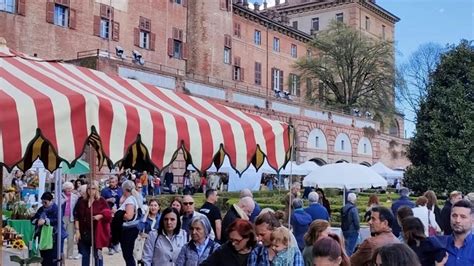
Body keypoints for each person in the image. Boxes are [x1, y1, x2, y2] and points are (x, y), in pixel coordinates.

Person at [74, 181, 112, 266]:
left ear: (97, 190)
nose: (91, 191)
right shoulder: (82, 201)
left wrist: (101, 215)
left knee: (98, 255)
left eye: (93, 189)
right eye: (89, 189)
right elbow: (76, 216)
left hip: (97, 232)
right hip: (84, 232)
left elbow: (108, 213)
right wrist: (77, 231)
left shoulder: (101, 200)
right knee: (85, 256)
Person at [433, 199, 474, 266]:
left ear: (472, 221)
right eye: (454, 216)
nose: (457, 220)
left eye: (463, 217)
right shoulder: (437, 244)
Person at [31, 192, 66, 266]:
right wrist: (37, 220)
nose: (43, 204)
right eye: (42, 202)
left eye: (45, 202)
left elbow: (57, 220)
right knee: (44, 258)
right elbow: (33, 219)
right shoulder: (41, 209)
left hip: (54, 237)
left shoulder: (57, 209)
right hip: (43, 237)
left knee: (53, 259)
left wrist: (46, 221)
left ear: (51, 201)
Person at [118, 180, 143, 266]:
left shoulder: (130, 200)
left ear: (125, 189)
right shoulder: (135, 197)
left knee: (128, 255)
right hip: (132, 228)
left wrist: (118, 213)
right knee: (129, 255)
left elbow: (129, 216)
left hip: (128, 230)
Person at [62, 181, 79, 260]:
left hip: (71, 218)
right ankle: (60, 253)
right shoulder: (61, 196)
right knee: (61, 236)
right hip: (63, 217)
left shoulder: (75, 196)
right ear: (64, 189)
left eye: (70, 188)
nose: (69, 190)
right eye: (67, 188)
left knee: (71, 237)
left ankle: (70, 254)